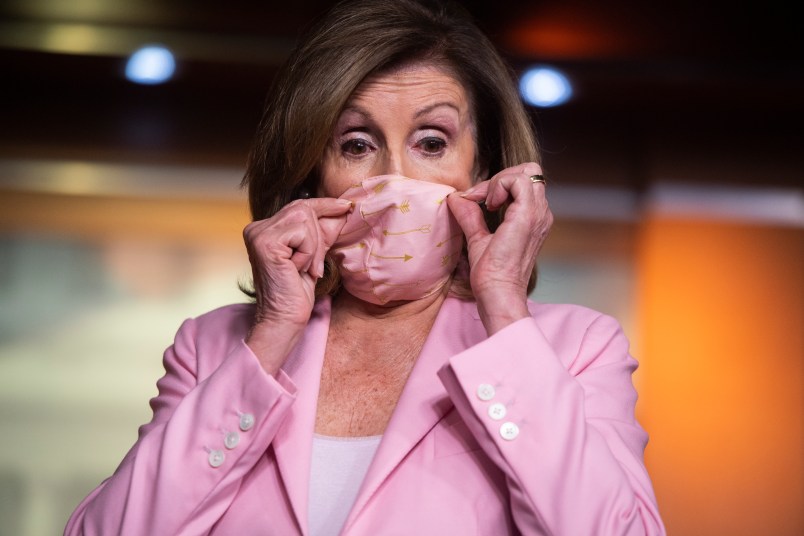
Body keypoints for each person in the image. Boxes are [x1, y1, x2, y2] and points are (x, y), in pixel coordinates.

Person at [65, 0, 665, 534]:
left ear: (483, 171)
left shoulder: (575, 347)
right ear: (311, 175)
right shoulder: (211, 346)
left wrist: (503, 304)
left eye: (431, 142)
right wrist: (272, 334)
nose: (394, 178)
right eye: (356, 144)